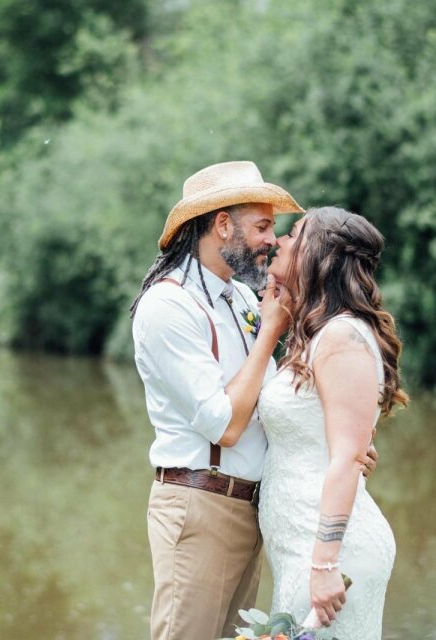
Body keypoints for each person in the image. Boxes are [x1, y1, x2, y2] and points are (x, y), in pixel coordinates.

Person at [129, 163, 377, 640]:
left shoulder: (242, 298)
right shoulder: (169, 306)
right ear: (223, 225)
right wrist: (271, 331)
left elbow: (274, 404)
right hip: (201, 504)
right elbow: (223, 424)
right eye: (262, 226)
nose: (272, 240)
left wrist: (341, 446)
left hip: (252, 510)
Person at [257, 206, 408, 639]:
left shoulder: (343, 337)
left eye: (294, 234)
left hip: (329, 558)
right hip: (303, 551)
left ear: (318, 254)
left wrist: (324, 565)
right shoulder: (320, 335)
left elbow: (345, 459)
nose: (281, 241)